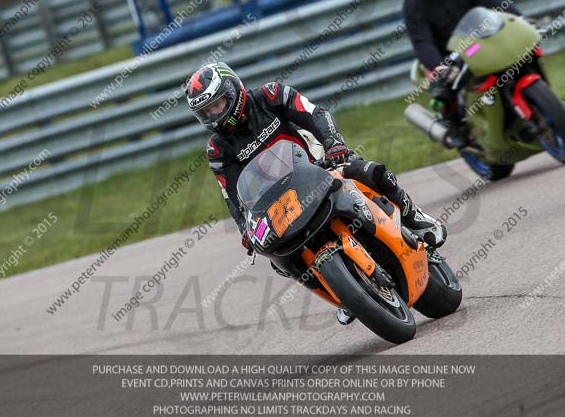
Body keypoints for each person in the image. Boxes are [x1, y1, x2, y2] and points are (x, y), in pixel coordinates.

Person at [186, 62, 447, 325]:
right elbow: (232, 196)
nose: (213, 115)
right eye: (205, 112)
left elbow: (315, 113)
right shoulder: (217, 149)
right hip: (282, 201)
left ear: (233, 91)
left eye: (216, 105)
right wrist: (245, 229)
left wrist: (334, 144)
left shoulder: (270, 95)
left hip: (321, 165)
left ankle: (414, 217)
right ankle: (341, 292)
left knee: (373, 173)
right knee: (277, 257)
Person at [402, 0, 524, 148]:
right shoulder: (413, 4)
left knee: (518, 56)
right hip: (446, 54)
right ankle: (455, 128)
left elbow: (493, 0)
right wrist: (438, 66)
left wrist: (519, 19)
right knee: (442, 88)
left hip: (480, 39)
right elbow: (422, 41)